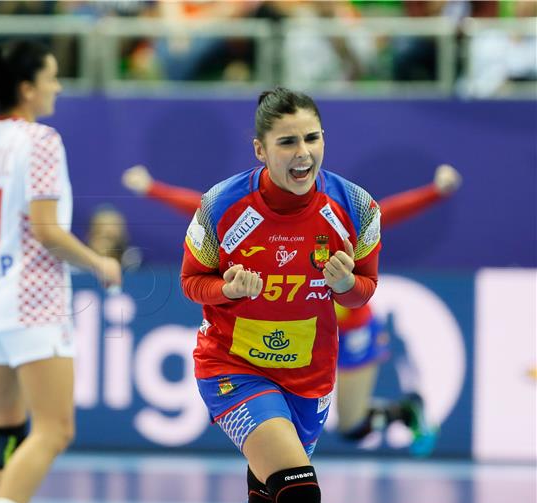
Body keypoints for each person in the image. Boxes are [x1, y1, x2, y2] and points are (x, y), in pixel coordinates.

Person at [123, 159, 462, 457]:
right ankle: (400, 413)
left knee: (351, 427)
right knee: (316, 427)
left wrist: (436, 192)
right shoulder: (244, 217)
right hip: (302, 339)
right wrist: (152, 189)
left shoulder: (343, 220)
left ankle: (407, 409)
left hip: (352, 329)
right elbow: (205, 213)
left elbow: (389, 211)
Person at [178, 87, 381, 503]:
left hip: (309, 374)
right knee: (298, 489)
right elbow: (192, 283)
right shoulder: (222, 206)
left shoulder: (357, 207)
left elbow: (362, 293)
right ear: (261, 149)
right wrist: (226, 289)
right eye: (287, 142)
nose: (303, 153)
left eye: (312, 138)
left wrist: (346, 284)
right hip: (232, 367)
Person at [0, 41, 121, 503]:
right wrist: (100, 264)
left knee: (2, 425)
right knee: (54, 429)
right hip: (33, 300)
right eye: (52, 77)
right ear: (26, 88)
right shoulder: (40, 140)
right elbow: (46, 230)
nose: (57, 87)